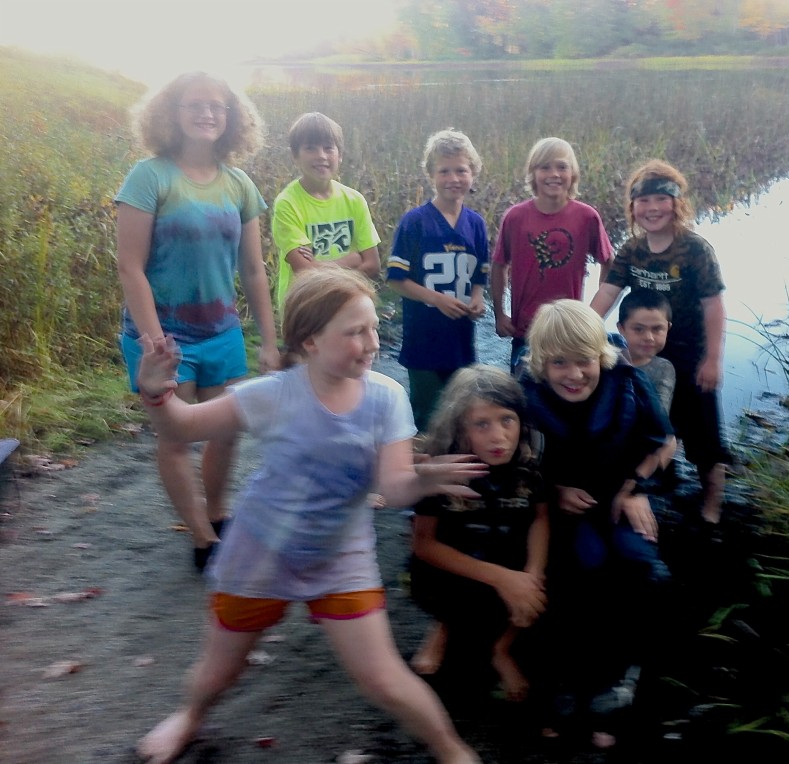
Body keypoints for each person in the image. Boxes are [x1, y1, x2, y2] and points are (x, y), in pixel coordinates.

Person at [133, 268, 484, 764]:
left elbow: (393, 487)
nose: (371, 342)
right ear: (310, 341)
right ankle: (190, 716)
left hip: (340, 558)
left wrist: (423, 482)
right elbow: (183, 428)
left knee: (383, 677)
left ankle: (451, 750)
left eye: (373, 328)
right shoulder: (273, 393)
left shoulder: (386, 396)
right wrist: (155, 390)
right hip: (259, 553)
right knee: (218, 672)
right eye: (355, 331)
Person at [115, 71, 280, 573]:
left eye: (218, 106)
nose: (207, 113)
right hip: (164, 336)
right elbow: (130, 266)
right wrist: (152, 343)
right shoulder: (150, 177)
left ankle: (218, 510)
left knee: (227, 431)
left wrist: (269, 341)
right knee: (177, 438)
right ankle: (203, 536)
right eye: (195, 104)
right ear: (172, 112)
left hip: (223, 332)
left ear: (232, 119)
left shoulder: (240, 184)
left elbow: (253, 270)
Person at [520, 299, 673, 748]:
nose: (573, 374)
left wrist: (636, 487)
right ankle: (565, 680)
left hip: (618, 498)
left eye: (583, 361)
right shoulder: (524, 393)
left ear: (601, 355)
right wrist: (553, 489)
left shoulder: (627, 382)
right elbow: (514, 460)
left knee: (647, 570)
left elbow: (661, 441)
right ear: (541, 364)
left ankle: (624, 676)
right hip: (561, 509)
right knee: (581, 567)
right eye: (558, 363)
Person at [590, 159, 730, 524]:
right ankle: (654, 483)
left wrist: (713, 359)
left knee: (704, 436)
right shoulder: (632, 250)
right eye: (643, 201)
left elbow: (713, 305)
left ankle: (712, 507)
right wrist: (580, 330)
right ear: (633, 208)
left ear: (676, 204)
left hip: (689, 355)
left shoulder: (696, 250)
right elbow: (607, 292)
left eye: (660, 200)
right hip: (643, 352)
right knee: (644, 424)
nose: (652, 209)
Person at [410, 364, 549, 702]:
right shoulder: (442, 470)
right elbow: (424, 545)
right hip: (458, 568)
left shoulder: (531, 462)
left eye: (507, 420)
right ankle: (443, 626)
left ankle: (502, 648)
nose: (499, 436)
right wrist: (503, 579)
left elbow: (541, 519)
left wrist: (532, 575)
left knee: (553, 581)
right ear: (461, 428)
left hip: (510, 557)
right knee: (436, 586)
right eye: (482, 424)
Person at [387, 129, 489, 431]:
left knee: (463, 416)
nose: (454, 178)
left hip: (460, 342)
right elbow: (396, 279)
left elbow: (479, 273)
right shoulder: (414, 222)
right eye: (444, 171)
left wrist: (478, 298)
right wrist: (436, 299)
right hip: (424, 343)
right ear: (431, 174)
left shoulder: (476, 224)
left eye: (461, 170)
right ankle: (428, 474)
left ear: (473, 173)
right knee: (429, 418)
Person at [490, 137, 613, 374]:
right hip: (525, 330)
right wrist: (499, 313)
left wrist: (593, 314)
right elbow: (499, 265)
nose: (553, 174)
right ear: (533, 173)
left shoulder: (586, 217)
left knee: (568, 394)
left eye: (561, 167)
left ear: (573, 174)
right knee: (525, 397)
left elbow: (609, 263)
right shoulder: (515, 217)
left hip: (568, 330)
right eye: (544, 167)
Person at [271, 111, 381, 313]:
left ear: (340, 156)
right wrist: (352, 260)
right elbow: (305, 272)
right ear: (295, 156)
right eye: (310, 148)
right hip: (305, 309)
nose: (321, 156)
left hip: (348, 305)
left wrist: (321, 266)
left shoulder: (354, 200)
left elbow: (373, 265)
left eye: (328, 148)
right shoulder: (288, 203)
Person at [616, 288, 675, 416]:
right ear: (621, 328)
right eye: (638, 329)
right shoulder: (605, 358)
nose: (649, 337)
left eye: (657, 329)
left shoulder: (663, 368)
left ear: (668, 328)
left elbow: (659, 415)